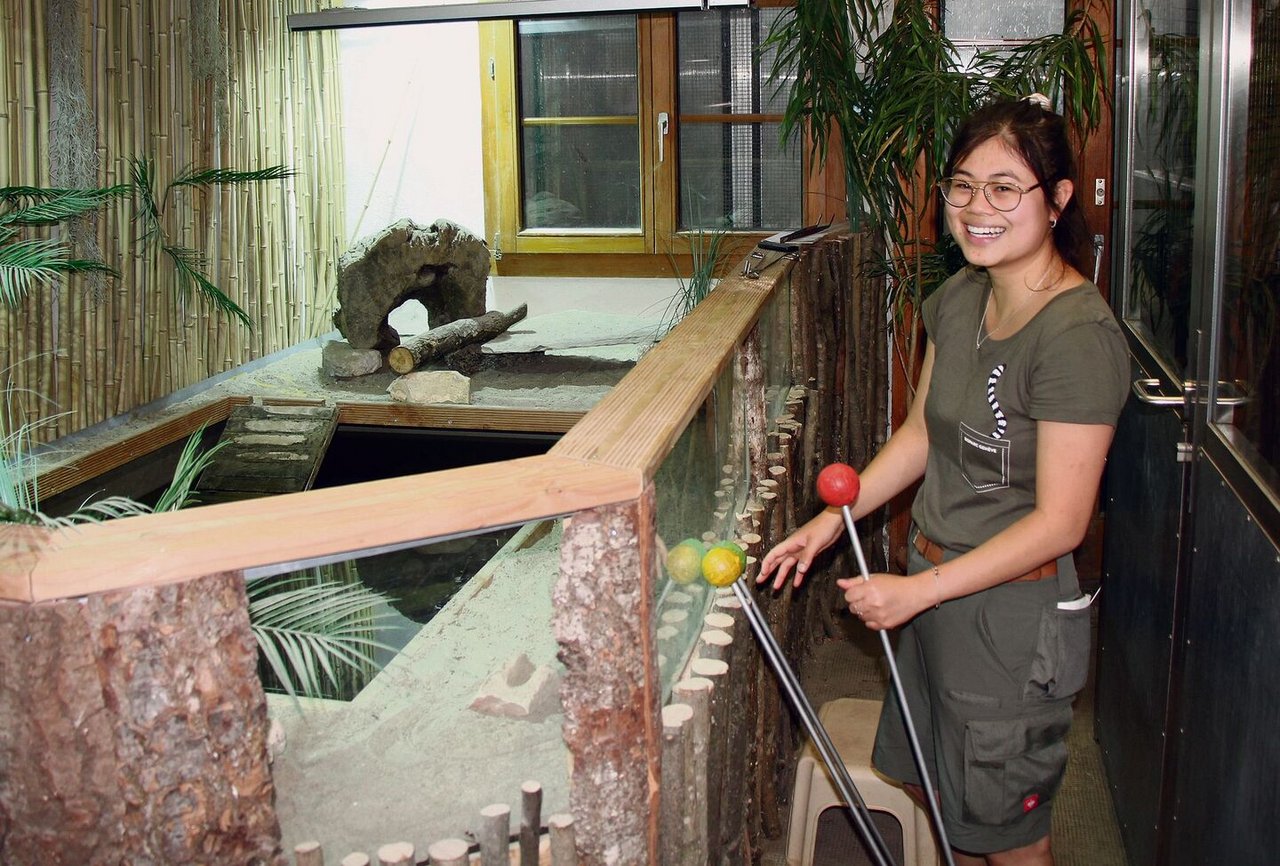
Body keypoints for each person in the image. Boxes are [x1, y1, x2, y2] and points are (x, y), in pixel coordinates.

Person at [758, 95, 1130, 866]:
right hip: (932, 585)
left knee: (1008, 836)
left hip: (1008, 619)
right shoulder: (962, 297)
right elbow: (922, 434)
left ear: (1058, 200)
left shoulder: (1077, 337)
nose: (976, 208)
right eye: (961, 185)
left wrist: (920, 592)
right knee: (938, 789)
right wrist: (837, 521)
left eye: (1005, 188)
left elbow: (1063, 522)